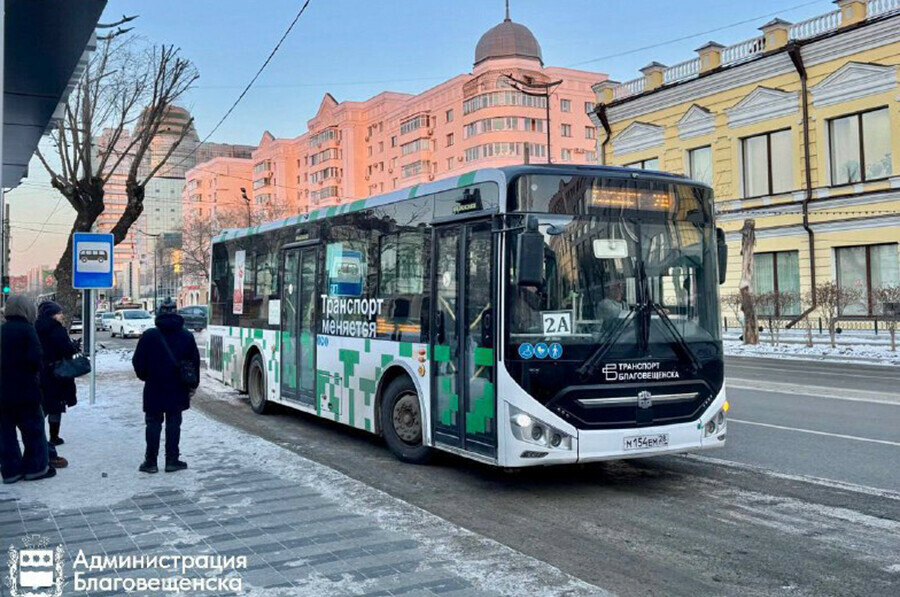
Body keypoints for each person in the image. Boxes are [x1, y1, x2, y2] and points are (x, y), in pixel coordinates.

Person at [132, 298, 200, 474]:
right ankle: (172, 460)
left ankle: (150, 461)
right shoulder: (186, 336)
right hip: (178, 386)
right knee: (174, 423)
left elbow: (138, 362)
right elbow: (194, 363)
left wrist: (146, 376)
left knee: (153, 423)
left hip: (154, 386)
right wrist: (192, 385)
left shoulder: (149, 336)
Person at [0, 296, 56, 482]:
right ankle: (35, 468)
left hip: (2, 392)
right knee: (33, 430)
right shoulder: (27, 330)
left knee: (5, 433)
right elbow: (35, 359)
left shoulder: (1, 331)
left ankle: (11, 470)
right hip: (25, 390)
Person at [36, 301, 79, 447]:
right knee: (55, 404)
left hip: (39, 372)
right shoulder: (57, 330)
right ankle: (54, 436)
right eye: (59, 312)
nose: (61, 315)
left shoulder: (34, 328)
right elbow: (66, 350)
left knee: (41, 405)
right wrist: (73, 347)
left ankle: (38, 435)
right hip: (57, 372)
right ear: (52, 314)